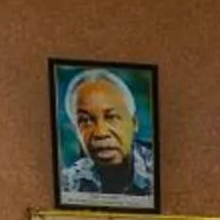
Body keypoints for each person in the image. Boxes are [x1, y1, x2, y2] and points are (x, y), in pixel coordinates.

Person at [59, 68, 156, 205]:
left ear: (134, 123)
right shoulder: (68, 184)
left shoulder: (161, 174)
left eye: (112, 117)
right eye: (85, 120)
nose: (101, 133)